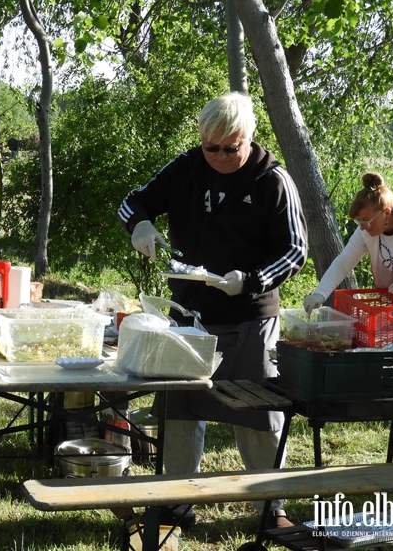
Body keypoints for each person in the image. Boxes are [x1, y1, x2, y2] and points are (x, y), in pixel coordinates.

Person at [117, 92, 308, 530]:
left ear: (249, 139)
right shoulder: (186, 167)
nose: (220, 155)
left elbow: (295, 250)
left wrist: (250, 278)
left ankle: (270, 508)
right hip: (188, 316)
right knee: (181, 411)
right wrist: (140, 224)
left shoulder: (274, 180)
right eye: (211, 147)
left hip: (249, 317)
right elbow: (132, 202)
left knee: (257, 414)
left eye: (231, 147)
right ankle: (177, 502)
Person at [303, 172, 393, 335]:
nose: (362, 227)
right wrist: (320, 294)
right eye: (359, 221)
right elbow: (344, 262)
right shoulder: (366, 230)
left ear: (387, 213)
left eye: (366, 220)